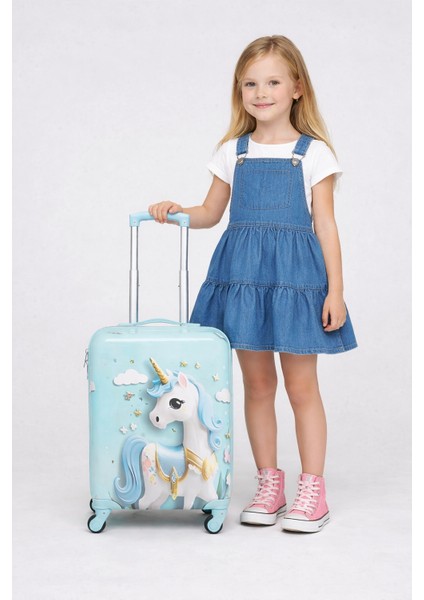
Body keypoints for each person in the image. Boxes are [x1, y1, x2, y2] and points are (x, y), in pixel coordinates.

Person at [148, 35, 357, 533]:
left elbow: (326, 225)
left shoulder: (313, 154)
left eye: (273, 82)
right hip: (243, 279)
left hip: (295, 281)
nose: (261, 93)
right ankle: (269, 484)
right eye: (250, 84)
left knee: (301, 387)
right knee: (258, 385)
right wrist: (176, 212)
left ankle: (313, 491)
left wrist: (335, 291)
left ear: (297, 88)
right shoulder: (232, 152)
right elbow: (210, 213)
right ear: (239, 91)